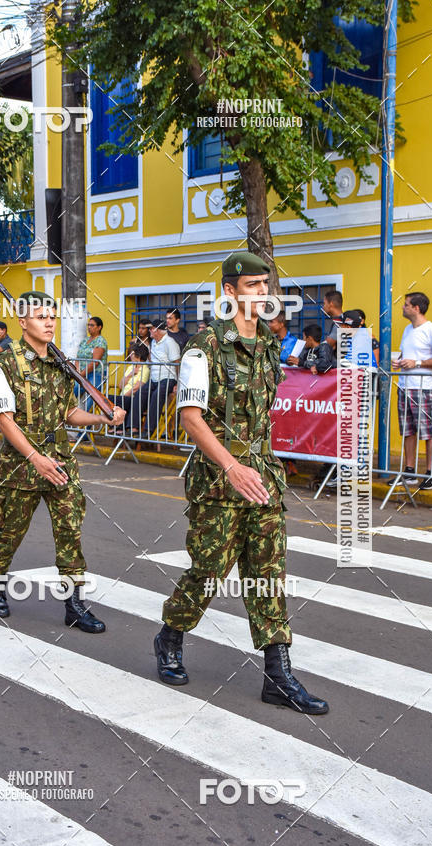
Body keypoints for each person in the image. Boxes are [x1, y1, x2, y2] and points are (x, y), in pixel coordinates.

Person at [152, 251, 328, 715]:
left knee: (268, 572)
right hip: (218, 480)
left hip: (263, 478)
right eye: (252, 286)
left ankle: (278, 673)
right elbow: (190, 417)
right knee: (209, 569)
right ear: (229, 291)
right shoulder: (204, 346)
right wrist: (231, 465)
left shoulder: (270, 346)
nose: (263, 294)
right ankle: (170, 635)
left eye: (266, 285)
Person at [0, 291, 125, 629]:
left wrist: (102, 418)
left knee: (69, 531)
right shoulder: (4, 365)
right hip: (21, 465)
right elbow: (5, 419)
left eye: (52, 316)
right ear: (22, 322)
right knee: (10, 532)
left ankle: (75, 605)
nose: (49, 322)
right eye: (40, 316)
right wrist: (35, 458)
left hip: (60, 460)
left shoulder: (60, 365)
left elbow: (70, 413)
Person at [389, 292, 432, 490]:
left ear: (416, 308)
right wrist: (400, 362)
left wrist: (417, 362)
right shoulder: (407, 330)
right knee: (408, 430)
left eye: (406, 305)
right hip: (405, 385)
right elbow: (407, 355)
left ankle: (429, 474)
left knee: (428, 431)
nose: (403, 307)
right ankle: (410, 471)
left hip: (424, 387)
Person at [132, 320, 180, 438]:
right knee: (140, 393)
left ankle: (149, 430)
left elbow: (177, 363)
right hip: (154, 378)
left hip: (168, 378)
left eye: (151, 328)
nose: (149, 331)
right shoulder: (153, 342)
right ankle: (133, 427)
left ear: (158, 330)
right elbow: (151, 360)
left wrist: (178, 383)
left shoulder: (170, 342)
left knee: (156, 395)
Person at [108, 343, 150, 433]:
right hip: (124, 397)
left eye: (131, 354)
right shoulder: (131, 367)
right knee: (106, 399)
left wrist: (123, 397)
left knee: (113, 400)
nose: (130, 356)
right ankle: (115, 425)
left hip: (132, 398)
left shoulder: (145, 369)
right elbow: (120, 385)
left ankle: (117, 426)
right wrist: (130, 375)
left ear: (138, 355)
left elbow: (136, 388)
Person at [75, 317, 108, 411]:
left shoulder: (100, 341)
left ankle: (87, 424)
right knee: (73, 391)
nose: (89, 327)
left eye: (92, 325)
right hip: (82, 373)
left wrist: (81, 375)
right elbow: (77, 358)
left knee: (91, 397)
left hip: (95, 373)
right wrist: (77, 371)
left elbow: (95, 362)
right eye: (88, 325)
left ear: (99, 327)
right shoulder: (85, 341)